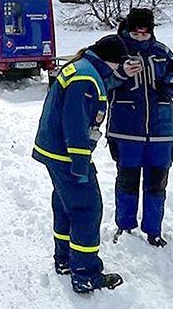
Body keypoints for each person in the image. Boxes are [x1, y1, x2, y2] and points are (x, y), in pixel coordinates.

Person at [31, 35, 131, 294]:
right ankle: (86, 274)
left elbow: (101, 85)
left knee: (66, 206)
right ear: (111, 61)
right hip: (67, 155)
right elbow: (74, 123)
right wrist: (79, 162)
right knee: (87, 209)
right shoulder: (86, 79)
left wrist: (120, 77)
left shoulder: (84, 68)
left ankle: (64, 260)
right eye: (119, 64)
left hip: (54, 151)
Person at [107, 8, 173, 247]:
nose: (141, 37)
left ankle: (154, 230)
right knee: (127, 181)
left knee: (157, 183)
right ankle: (125, 226)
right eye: (136, 32)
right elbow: (102, 84)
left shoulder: (162, 52)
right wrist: (121, 74)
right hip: (126, 131)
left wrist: (171, 82)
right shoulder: (115, 52)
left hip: (162, 132)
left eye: (145, 32)